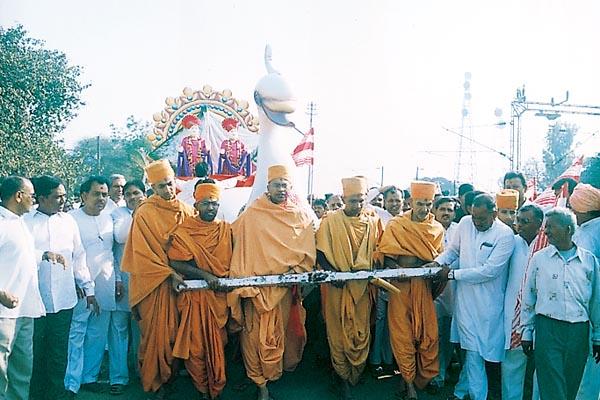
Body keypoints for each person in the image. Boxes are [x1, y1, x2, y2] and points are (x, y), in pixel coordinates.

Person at [228, 165, 316, 400]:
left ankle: (271, 377)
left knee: (279, 335)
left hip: (282, 291)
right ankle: (260, 385)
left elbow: (306, 249)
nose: (281, 189)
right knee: (253, 338)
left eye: (284, 185)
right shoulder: (252, 214)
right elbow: (233, 237)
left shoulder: (298, 215)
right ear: (267, 187)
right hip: (255, 292)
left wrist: (297, 272)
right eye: (276, 184)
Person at [427, 193, 515, 400]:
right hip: (465, 302)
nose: (476, 222)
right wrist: (438, 263)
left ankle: (463, 391)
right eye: (474, 217)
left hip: (489, 306)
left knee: (480, 354)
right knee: (472, 352)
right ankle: (473, 395)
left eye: (482, 219)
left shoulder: (505, 235)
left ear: (494, 213)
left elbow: (489, 271)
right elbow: (454, 251)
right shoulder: (466, 224)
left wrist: (451, 274)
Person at [121, 159, 195, 399]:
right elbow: (142, 255)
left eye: (170, 184)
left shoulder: (185, 210)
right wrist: (169, 273)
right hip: (153, 284)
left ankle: (170, 376)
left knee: (175, 333)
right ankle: (155, 382)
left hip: (181, 283)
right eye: (161, 186)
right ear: (152, 188)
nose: (168, 190)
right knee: (155, 335)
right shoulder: (144, 213)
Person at [24, 176, 95, 400]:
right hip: (35, 300)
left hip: (64, 299)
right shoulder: (26, 222)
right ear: (42, 198)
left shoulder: (68, 221)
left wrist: (88, 287)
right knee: (35, 352)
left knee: (58, 352)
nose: (63, 201)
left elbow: (78, 256)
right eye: (57, 197)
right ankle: (35, 395)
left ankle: (56, 394)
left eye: (64, 196)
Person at [521, 207, 600, 400]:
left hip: (578, 331)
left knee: (571, 384)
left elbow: (596, 302)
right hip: (548, 328)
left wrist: (598, 336)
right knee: (551, 384)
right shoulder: (540, 259)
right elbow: (529, 295)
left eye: (550, 226)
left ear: (568, 230)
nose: (545, 231)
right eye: (545, 227)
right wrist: (526, 331)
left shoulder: (588, 261)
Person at [316, 176, 382, 400]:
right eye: (352, 200)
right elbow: (320, 252)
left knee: (361, 331)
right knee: (338, 333)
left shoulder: (373, 222)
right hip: (338, 288)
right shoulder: (330, 221)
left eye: (361, 200)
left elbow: (378, 251)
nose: (357, 205)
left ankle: (356, 371)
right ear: (343, 199)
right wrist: (332, 273)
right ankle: (342, 376)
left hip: (362, 288)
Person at [378, 181, 445, 400]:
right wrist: (397, 269)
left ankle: (420, 378)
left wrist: (430, 269)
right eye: (420, 204)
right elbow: (386, 256)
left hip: (423, 287)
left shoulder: (436, 228)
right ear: (410, 202)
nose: (424, 209)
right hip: (401, 287)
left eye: (428, 204)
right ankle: (408, 384)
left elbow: (440, 259)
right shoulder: (397, 225)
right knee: (402, 335)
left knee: (428, 335)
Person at [167, 180, 233, 400]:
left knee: (219, 343)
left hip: (218, 299)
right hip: (194, 297)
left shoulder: (225, 230)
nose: (211, 208)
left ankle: (215, 388)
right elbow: (175, 262)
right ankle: (203, 389)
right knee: (196, 348)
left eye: (214, 204)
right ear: (196, 205)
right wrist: (205, 276)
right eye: (206, 204)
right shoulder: (185, 230)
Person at [64, 176, 119, 395]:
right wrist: (73, 281)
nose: (102, 198)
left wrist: (116, 280)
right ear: (84, 195)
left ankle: (89, 376)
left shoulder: (109, 218)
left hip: (105, 282)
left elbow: (112, 253)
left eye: (105, 194)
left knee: (98, 333)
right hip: (79, 285)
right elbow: (67, 253)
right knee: (76, 332)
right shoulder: (70, 219)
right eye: (96, 193)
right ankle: (71, 381)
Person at [0, 176, 45, 400]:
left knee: (21, 371)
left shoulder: (19, 222)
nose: (34, 200)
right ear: (19, 196)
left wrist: (45, 255)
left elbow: (20, 256)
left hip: (25, 310)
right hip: (3, 314)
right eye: (32, 195)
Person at [501, 204, 544, 400]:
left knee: (542, 366)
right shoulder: (510, 241)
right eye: (518, 220)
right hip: (513, 312)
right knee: (512, 363)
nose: (519, 225)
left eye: (525, 222)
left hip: (542, 313)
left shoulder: (548, 245)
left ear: (539, 224)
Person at [110, 179, 147, 394]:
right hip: (122, 281)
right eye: (128, 194)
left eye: (136, 193)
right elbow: (119, 238)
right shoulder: (117, 215)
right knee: (119, 329)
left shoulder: (153, 212)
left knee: (142, 329)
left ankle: (144, 372)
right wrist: (115, 278)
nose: (132, 197)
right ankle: (118, 377)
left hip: (146, 281)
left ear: (144, 194)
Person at [569, 183, 600, 400]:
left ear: (585, 211)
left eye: (574, 210)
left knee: (588, 366)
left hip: (589, 307)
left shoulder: (589, 234)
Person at [368, 185, 403, 377]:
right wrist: (382, 189)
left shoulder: (408, 218)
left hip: (404, 276)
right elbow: (365, 201)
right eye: (390, 200)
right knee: (381, 318)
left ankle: (392, 360)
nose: (394, 204)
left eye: (398, 200)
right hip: (384, 274)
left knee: (398, 320)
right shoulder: (379, 215)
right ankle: (376, 360)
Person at [430, 196, 458, 390]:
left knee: (450, 334)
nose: (446, 213)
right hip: (433, 291)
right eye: (443, 209)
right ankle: (435, 375)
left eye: (450, 209)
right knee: (434, 335)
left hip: (457, 290)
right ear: (435, 210)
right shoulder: (428, 228)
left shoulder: (460, 230)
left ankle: (444, 370)